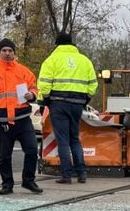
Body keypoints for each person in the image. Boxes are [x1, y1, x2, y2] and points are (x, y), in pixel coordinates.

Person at [0, 38, 43, 195]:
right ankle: (7, 183)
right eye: (4, 51)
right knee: (4, 156)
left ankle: (28, 180)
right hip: (1, 120)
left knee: (31, 150)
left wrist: (32, 95)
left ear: (14, 53)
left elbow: (35, 87)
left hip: (22, 119)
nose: (7, 53)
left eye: (10, 51)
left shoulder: (24, 71)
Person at [37, 32, 97, 184]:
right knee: (75, 139)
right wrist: (85, 100)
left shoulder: (51, 60)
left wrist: (44, 101)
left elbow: (44, 84)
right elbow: (93, 85)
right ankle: (82, 174)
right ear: (72, 44)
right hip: (77, 104)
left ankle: (66, 175)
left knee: (63, 141)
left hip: (58, 104)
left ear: (57, 44)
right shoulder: (85, 60)